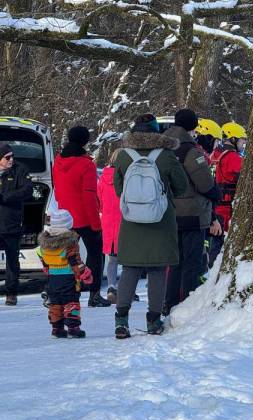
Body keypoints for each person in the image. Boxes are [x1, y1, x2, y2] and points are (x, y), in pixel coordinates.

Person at [112, 114, 188, 339]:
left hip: (131, 221)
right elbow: (181, 187)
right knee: (157, 271)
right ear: (157, 133)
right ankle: (153, 321)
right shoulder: (166, 156)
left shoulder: (124, 156)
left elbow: (118, 190)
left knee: (129, 270)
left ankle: (121, 321)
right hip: (161, 221)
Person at [163, 109, 222, 314]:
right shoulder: (190, 150)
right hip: (192, 213)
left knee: (174, 262)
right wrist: (217, 193)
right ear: (193, 126)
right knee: (192, 262)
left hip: (168, 212)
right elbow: (204, 183)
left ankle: (169, 302)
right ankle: (187, 305)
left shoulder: (163, 148)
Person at [52, 126, 111, 307]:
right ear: (85, 141)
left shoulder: (58, 162)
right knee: (95, 253)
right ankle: (93, 294)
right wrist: (96, 223)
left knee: (63, 256)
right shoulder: (87, 165)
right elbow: (89, 196)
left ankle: (59, 290)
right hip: (84, 217)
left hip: (65, 216)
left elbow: (57, 192)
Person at [35, 209, 93, 338]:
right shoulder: (70, 242)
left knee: (55, 303)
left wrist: (46, 268)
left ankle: (57, 329)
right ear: (69, 224)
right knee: (71, 302)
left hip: (52, 278)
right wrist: (85, 274)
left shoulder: (45, 242)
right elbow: (75, 262)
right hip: (68, 278)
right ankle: (73, 328)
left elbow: (40, 254)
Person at [98, 148, 138, 303]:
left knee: (112, 258)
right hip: (126, 219)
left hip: (108, 221)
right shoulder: (128, 177)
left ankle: (111, 287)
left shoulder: (103, 178)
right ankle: (128, 290)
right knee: (130, 259)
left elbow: (99, 201)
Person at [0, 142, 33, 306]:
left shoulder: (20, 170)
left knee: (12, 259)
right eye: (7, 157)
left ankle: (11, 293)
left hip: (11, 222)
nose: (11, 159)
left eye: (12, 156)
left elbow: (27, 190)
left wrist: (5, 197)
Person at [208, 121, 245, 266]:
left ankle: (208, 269)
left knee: (212, 243)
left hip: (213, 207)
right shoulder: (233, 158)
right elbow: (243, 177)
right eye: (242, 140)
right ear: (233, 139)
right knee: (219, 244)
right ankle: (212, 271)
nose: (243, 144)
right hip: (225, 209)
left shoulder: (214, 155)